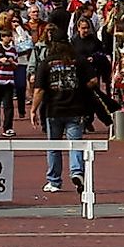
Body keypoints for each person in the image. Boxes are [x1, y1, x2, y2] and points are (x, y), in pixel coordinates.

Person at [31, 24, 93, 194]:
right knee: (76, 143)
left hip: (54, 108)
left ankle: (54, 180)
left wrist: (33, 109)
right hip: (76, 107)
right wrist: (84, 87)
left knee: (53, 146)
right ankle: (77, 171)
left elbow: (39, 90)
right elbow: (92, 81)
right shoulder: (78, 60)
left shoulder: (46, 63)